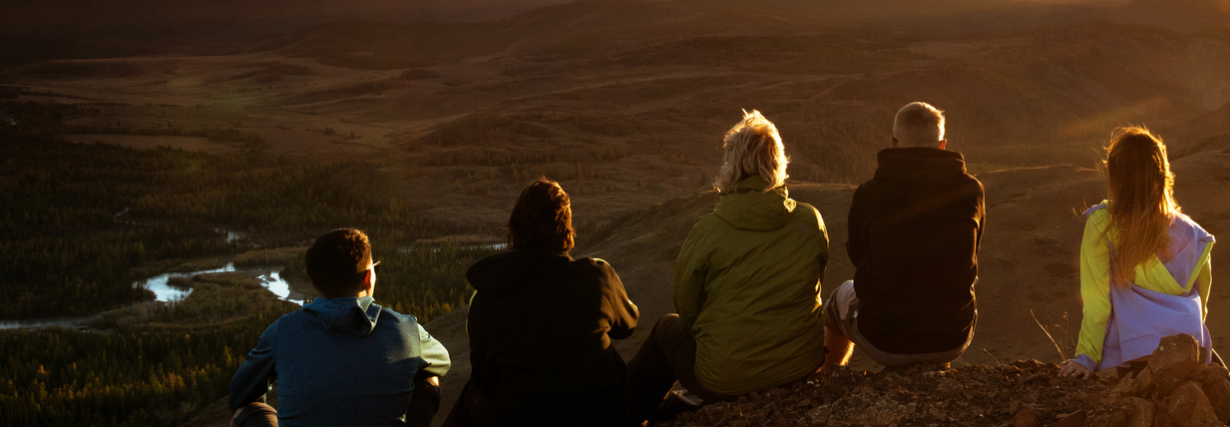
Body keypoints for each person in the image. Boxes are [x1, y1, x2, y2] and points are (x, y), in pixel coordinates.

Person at [625, 110, 829, 425]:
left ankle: (626, 414)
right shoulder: (810, 219)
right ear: (778, 162)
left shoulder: (709, 230)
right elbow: (814, 284)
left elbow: (688, 310)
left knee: (667, 327)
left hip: (726, 380)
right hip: (800, 365)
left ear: (732, 164)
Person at [442, 178, 640, 427]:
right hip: (597, 415)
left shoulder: (487, 294)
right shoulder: (597, 276)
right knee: (667, 329)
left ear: (515, 228)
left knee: (472, 393)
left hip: (519, 418)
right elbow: (628, 325)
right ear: (566, 229)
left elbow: (484, 377)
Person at [228, 228, 452, 427]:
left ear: (314, 284)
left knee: (248, 410)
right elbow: (442, 362)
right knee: (429, 377)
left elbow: (240, 394)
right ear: (367, 279)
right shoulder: (405, 328)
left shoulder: (283, 330)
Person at [822, 102, 985, 372]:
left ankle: (825, 380)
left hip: (886, 342)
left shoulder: (869, 194)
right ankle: (933, 365)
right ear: (942, 144)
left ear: (894, 143)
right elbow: (972, 251)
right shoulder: (971, 190)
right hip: (954, 338)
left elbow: (858, 255)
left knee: (836, 301)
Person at [1058, 127, 1215, 379]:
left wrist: (1086, 357)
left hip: (1137, 352)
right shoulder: (1196, 234)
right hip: (1190, 348)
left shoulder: (1103, 222)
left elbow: (1097, 301)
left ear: (1116, 175)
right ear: (1162, 174)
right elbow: (1202, 303)